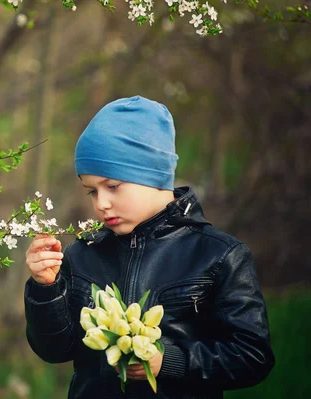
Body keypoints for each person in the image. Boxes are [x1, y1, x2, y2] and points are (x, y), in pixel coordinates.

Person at [23, 96, 275, 399]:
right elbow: (54, 350)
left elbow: (252, 357)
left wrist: (169, 361)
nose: (101, 203)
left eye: (113, 186)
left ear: (153, 174)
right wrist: (46, 288)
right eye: (91, 191)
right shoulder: (82, 254)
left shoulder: (218, 256)